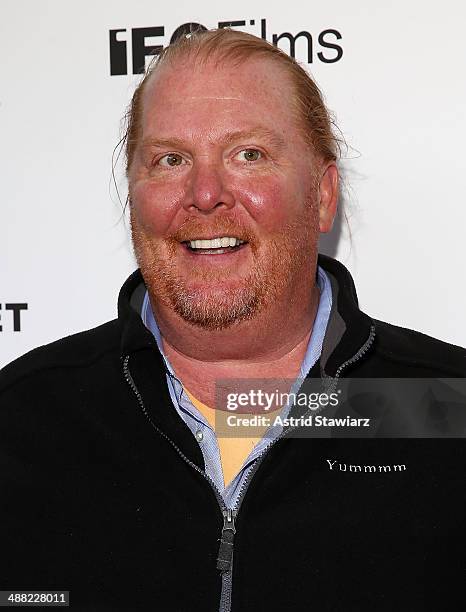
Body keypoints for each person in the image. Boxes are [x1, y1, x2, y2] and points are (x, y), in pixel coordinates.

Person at [0, 28, 465, 612]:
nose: (205, 193)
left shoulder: (449, 405)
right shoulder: (22, 421)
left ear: (322, 196)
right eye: (170, 160)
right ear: (132, 194)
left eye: (249, 154)